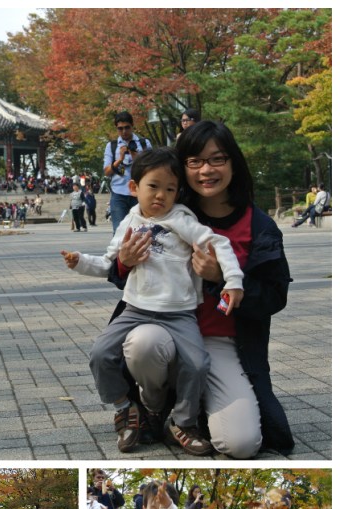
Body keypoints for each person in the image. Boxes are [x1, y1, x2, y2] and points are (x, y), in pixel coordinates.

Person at [114, 120, 293, 457]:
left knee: (241, 444)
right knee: (143, 343)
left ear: (234, 163)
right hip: (165, 329)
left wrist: (219, 278)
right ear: (180, 170)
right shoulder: (163, 211)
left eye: (217, 159)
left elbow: (273, 296)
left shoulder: (258, 225)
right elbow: (122, 276)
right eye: (194, 162)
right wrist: (124, 261)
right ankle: (155, 408)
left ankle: (188, 414)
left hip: (220, 342)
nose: (206, 170)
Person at [64, 147, 244, 455]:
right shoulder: (129, 222)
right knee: (100, 353)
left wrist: (233, 280)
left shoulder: (182, 220)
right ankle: (125, 407)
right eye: (153, 186)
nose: (161, 195)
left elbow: (219, 242)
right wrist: (80, 261)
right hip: (135, 310)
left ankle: (182, 422)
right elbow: (110, 263)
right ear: (134, 188)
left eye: (170, 189)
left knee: (198, 364)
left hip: (180, 313)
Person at [103, 111, 152, 231]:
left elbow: (151, 168)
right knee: (119, 231)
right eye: (120, 128)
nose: (124, 131)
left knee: (141, 230)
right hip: (118, 193)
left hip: (140, 192)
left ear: (132, 126)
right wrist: (119, 159)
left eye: (127, 127)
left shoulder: (144, 143)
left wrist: (135, 155)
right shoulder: (112, 146)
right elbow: (107, 171)